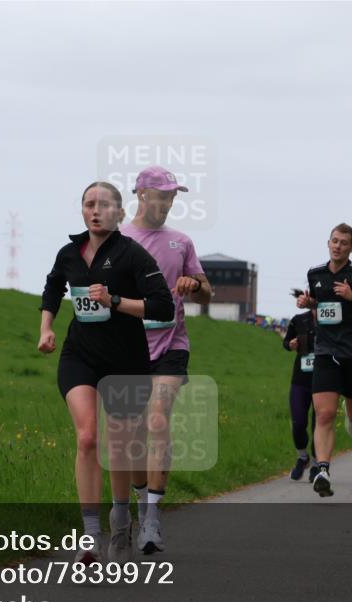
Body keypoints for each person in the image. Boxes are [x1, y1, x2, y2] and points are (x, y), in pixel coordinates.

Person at [38, 181, 174, 564]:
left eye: (104, 205)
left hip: (125, 360)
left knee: (119, 445)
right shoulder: (69, 253)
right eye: (89, 204)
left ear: (120, 212)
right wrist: (46, 327)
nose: (95, 211)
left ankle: (121, 518)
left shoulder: (133, 254)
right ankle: (90, 534)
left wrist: (115, 301)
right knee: (86, 438)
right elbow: (53, 287)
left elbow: (163, 307)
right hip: (79, 355)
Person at [120, 166, 212, 556]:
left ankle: (153, 518)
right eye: (163, 194)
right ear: (142, 194)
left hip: (172, 344)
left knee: (157, 419)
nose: (169, 202)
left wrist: (195, 285)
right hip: (128, 346)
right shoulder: (119, 239)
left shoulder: (182, 242)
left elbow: (206, 292)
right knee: (134, 434)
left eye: (173, 195)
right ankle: (142, 505)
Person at [297, 223, 352, 497]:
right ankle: (322, 469)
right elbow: (319, 304)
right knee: (324, 414)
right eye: (334, 241)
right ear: (328, 242)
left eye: (344, 243)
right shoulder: (315, 273)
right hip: (325, 351)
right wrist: (308, 303)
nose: (338, 246)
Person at [283, 307, 318, 482]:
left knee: (319, 425)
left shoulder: (334, 318)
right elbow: (286, 342)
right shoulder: (298, 319)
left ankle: (317, 463)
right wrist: (290, 344)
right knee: (298, 422)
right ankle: (302, 457)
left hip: (323, 381)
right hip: (300, 379)